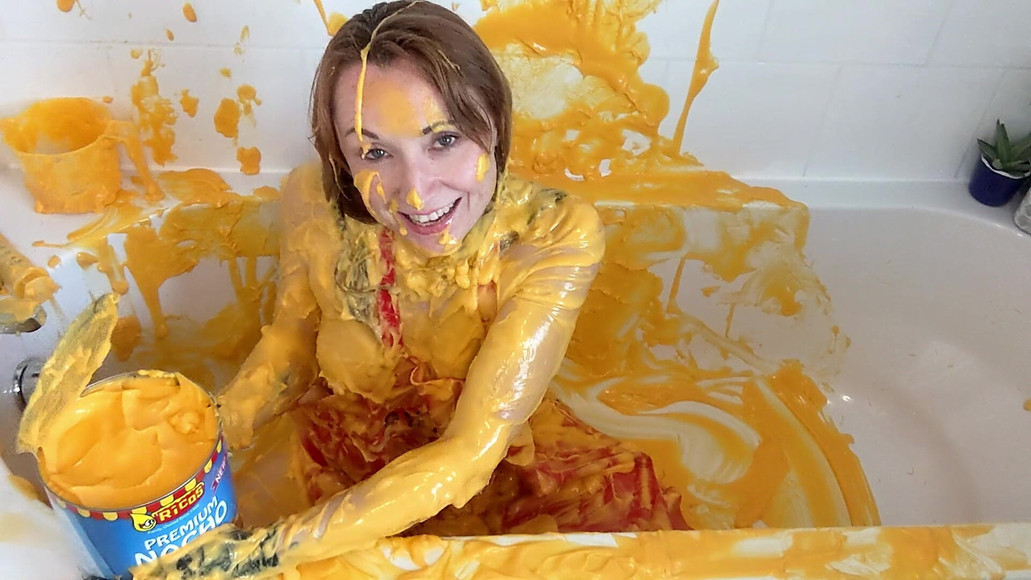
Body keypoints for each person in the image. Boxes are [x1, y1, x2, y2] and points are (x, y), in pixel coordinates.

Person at [136, 1, 686, 577]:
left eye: (444, 139)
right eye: (375, 152)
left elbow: (469, 453)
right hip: (341, 444)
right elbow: (291, 346)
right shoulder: (312, 201)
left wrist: (263, 552)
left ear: (494, 122)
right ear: (341, 156)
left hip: (493, 465)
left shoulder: (550, 233)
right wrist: (203, 441)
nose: (417, 194)